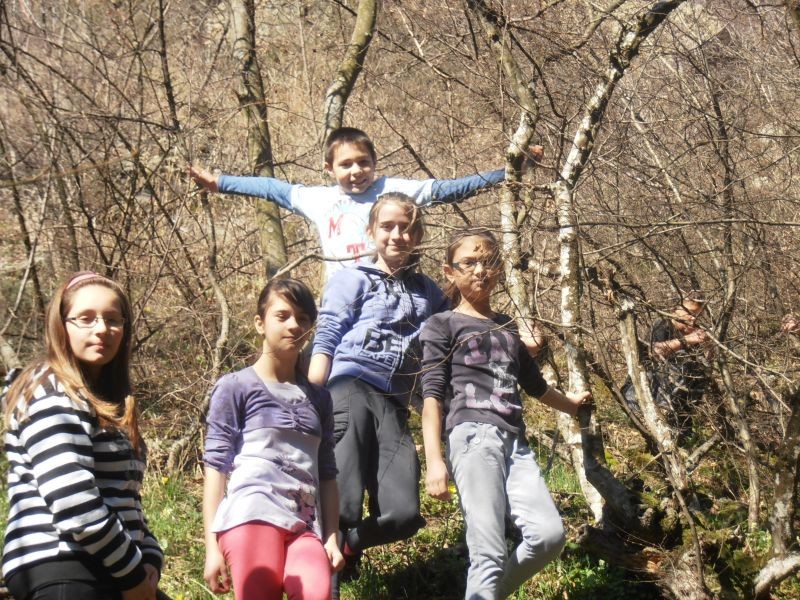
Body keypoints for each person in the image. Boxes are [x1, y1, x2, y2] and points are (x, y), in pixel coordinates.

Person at [419, 229, 590, 600]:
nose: (480, 270)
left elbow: (535, 386)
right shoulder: (442, 324)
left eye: (488, 261)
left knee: (548, 536)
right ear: (449, 272)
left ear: (499, 268)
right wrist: (434, 461)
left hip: (515, 440)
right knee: (489, 553)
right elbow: (431, 397)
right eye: (469, 263)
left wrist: (573, 406)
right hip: (471, 436)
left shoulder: (508, 326)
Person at [307, 193, 448, 595]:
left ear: (418, 235)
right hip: (348, 388)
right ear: (372, 231)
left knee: (404, 514)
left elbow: (458, 326)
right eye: (387, 226)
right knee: (344, 504)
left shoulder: (428, 292)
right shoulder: (353, 279)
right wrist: (310, 400)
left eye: (406, 227)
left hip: (395, 403)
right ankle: (322, 582)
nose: (397, 235)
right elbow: (327, 337)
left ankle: (349, 548)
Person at [188, 127, 543, 279]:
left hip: (390, 286)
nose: (356, 171)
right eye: (346, 165)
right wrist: (219, 183)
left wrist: (510, 170)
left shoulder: (394, 189)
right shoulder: (319, 199)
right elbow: (270, 188)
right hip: (343, 296)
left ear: (375, 162)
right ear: (329, 169)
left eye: (363, 162)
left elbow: (450, 190)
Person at [2, 272, 165, 600]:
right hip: (62, 564)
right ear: (61, 325)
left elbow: (125, 498)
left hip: (109, 566)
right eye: (86, 318)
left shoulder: (107, 401)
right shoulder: (49, 389)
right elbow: (72, 499)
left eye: (113, 319)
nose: (102, 328)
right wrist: (133, 575)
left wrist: (149, 557)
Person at [202, 279, 343, 600]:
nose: (294, 325)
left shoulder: (319, 398)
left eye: (303, 319)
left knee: (317, 593)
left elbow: (327, 474)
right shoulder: (236, 387)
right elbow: (216, 468)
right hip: (251, 517)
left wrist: (331, 537)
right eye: (282, 316)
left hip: (304, 526)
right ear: (259, 323)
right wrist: (211, 546)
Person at [643, 294, 713, 439]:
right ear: (674, 310)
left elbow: (706, 365)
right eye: (689, 313)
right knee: (681, 366)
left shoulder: (693, 331)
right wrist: (686, 340)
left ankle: (683, 428)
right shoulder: (662, 325)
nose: (693, 318)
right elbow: (654, 351)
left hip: (681, 397)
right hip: (649, 390)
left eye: (697, 315)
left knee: (699, 372)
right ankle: (666, 423)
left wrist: (709, 347)